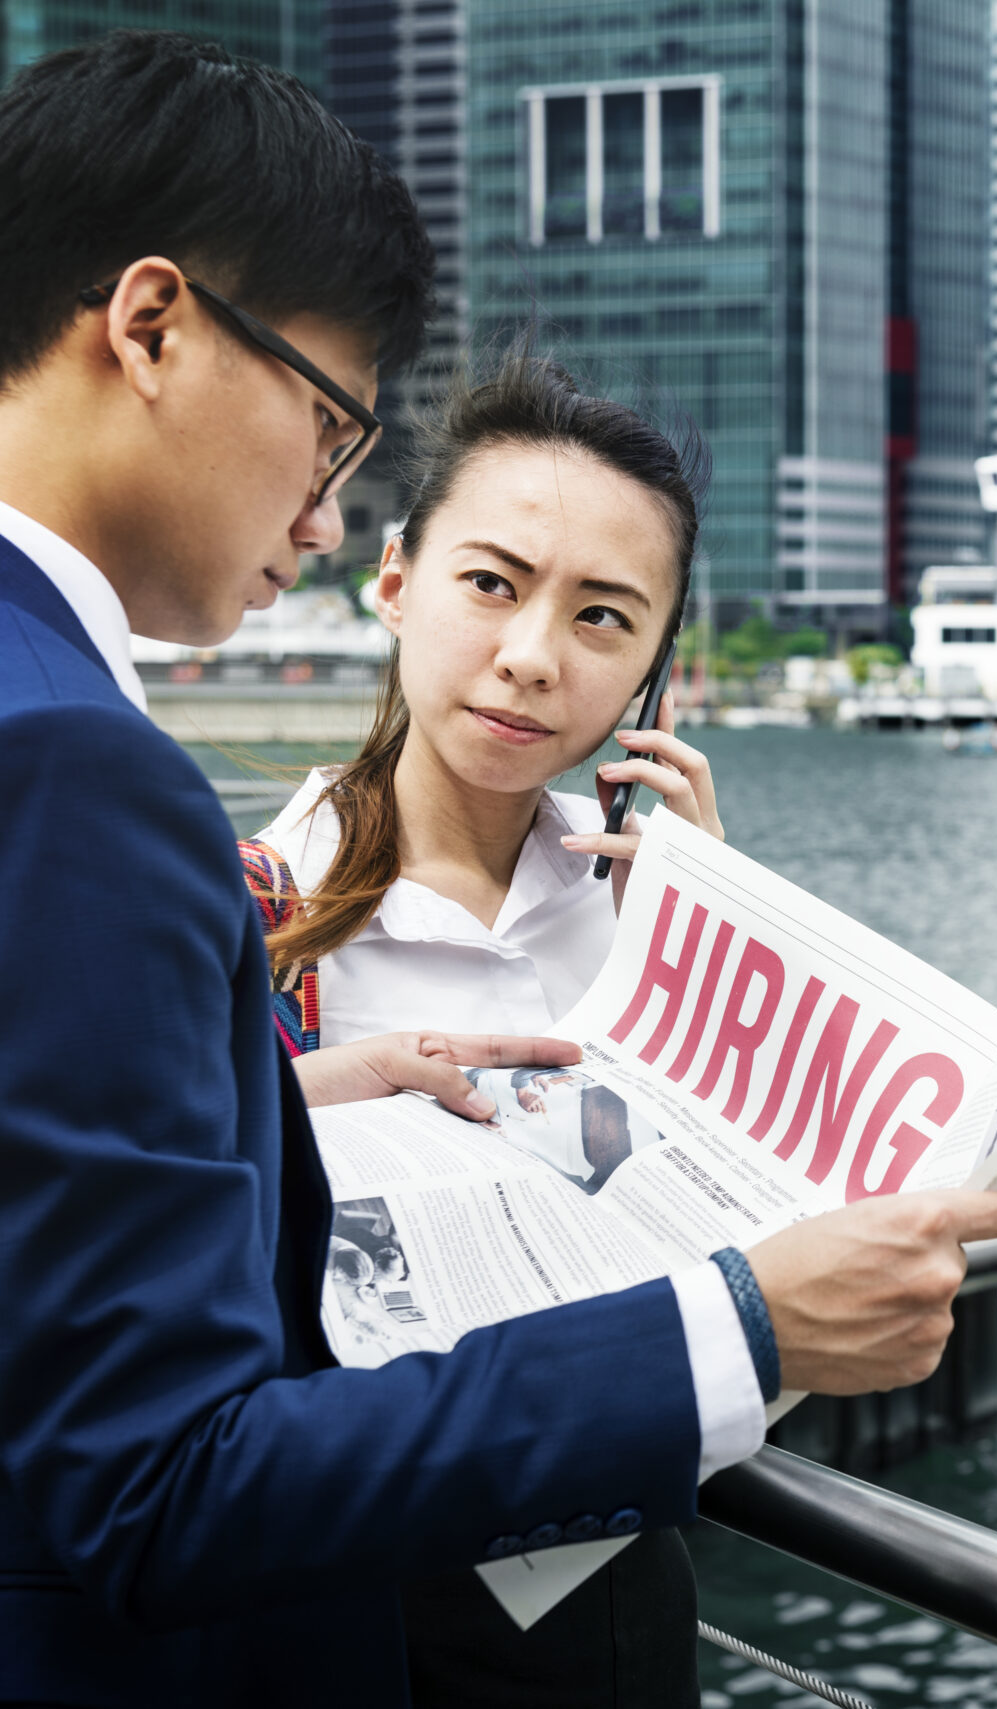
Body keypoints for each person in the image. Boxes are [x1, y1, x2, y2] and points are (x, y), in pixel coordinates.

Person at [0, 33, 997, 1707]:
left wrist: (272, 1101)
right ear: (151, 326)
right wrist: (741, 1328)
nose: (320, 519)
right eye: (329, 428)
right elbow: (171, 1483)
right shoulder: (49, 765)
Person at [237, 356, 736, 1704]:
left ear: (651, 668)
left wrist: (716, 935)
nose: (531, 655)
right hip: (362, 1589)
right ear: (395, 579)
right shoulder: (261, 917)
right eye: (493, 582)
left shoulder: (644, 898)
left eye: (604, 617)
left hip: (620, 1582)